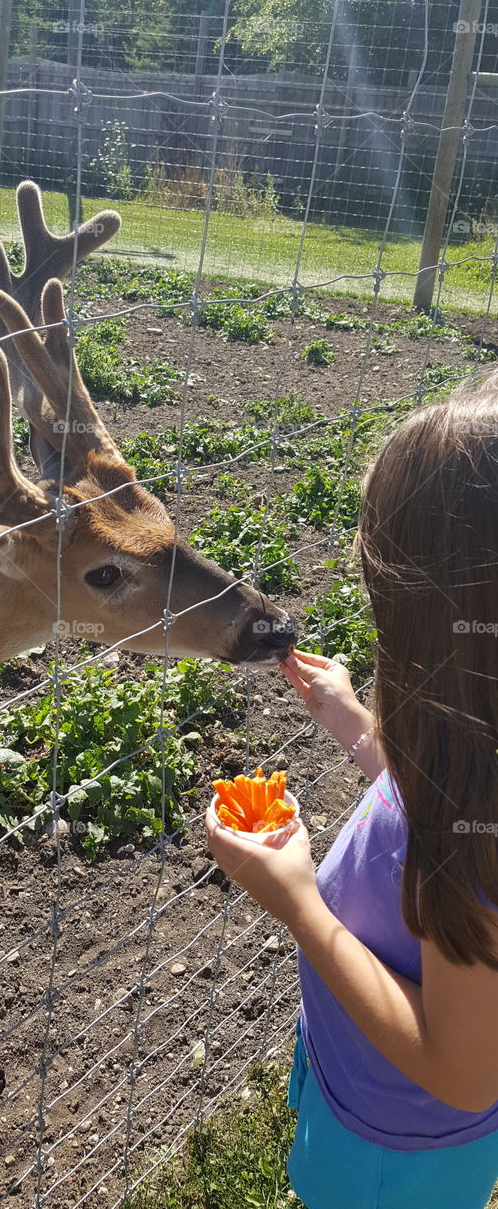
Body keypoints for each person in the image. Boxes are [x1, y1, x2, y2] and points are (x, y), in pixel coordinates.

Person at [205, 373, 498, 1209]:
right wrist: (358, 728)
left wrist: (298, 905)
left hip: (392, 1157)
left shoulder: (476, 851)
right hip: (365, 1093)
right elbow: (438, 799)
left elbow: (461, 1072)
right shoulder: (472, 758)